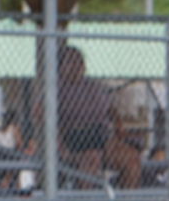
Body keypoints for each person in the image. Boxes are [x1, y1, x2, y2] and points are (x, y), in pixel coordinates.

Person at [32, 45, 141, 191]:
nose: (77, 66)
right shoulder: (55, 88)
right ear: (61, 66)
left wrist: (119, 128)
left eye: (80, 61)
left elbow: (111, 109)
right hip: (73, 137)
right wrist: (58, 142)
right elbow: (39, 112)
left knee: (131, 158)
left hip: (100, 135)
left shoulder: (94, 86)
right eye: (71, 62)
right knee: (92, 158)